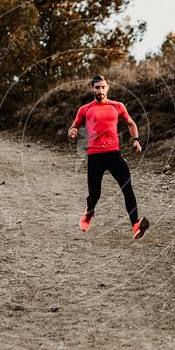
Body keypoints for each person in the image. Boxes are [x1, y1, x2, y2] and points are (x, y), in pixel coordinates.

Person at [68, 75, 150, 239]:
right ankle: (89, 212)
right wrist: (72, 131)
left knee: (127, 186)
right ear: (92, 89)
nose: (100, 90)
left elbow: (131, 123)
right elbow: (74, 125)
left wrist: (136, 140)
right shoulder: (85, 109)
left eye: (103, 87)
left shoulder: (117, 106)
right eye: (97, 87)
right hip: (95, 156)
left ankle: (135, 224)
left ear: (108, 88)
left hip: (113, 154)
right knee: (95, 194)